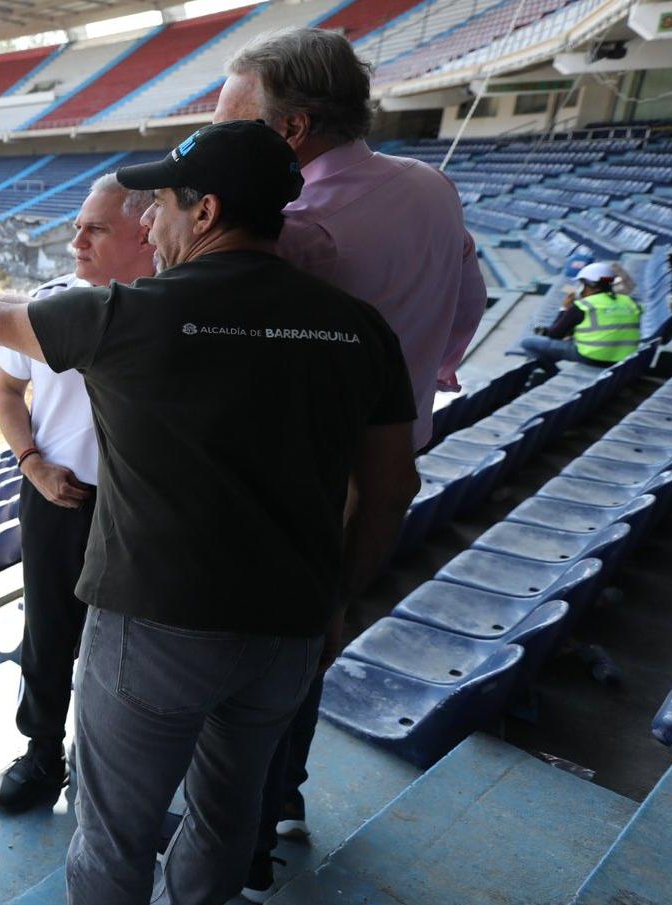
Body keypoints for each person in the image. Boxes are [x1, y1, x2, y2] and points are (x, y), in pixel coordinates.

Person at [0, 121, 419, 905]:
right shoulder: (360, 329)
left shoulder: (128, 315)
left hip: (153, 623)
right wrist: (336, 600)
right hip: (286, 626)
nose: (149, 222)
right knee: (227, 819)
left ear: (207, 211)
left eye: (161, 207)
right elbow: (390, 489)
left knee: (113, 832)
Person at [212, 29, 487, 894]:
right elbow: (470, 303)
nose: (218, 134)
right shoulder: (432, 187)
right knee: (312, 638)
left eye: (233, 118)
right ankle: (283, 798)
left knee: (257, 662)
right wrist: (428, 368)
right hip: (393, 456)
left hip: (303, 476)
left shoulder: (295, 230)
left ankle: (244, 844)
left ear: (290, 129)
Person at [0, 174, 156, 815]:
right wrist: (32, 464)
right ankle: (42, 755)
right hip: (61, 500)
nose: (75, 239)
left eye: (95, 228)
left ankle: (114, 764)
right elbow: (5, 393)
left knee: (136, 646)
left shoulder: (175, 311)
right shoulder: (47, 307)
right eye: (78, 224)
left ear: (145, 231)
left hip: (144, 512)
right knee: (50, 633)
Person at [519, 262, 644, 367]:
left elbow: (554, 334)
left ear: (591, 285)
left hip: (593, 357)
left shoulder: (584, 305)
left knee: (528, 342)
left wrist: (564, 308)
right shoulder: (629, 302)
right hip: (625, 358)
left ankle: (553, 374)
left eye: (582, 284)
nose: (580, 288)